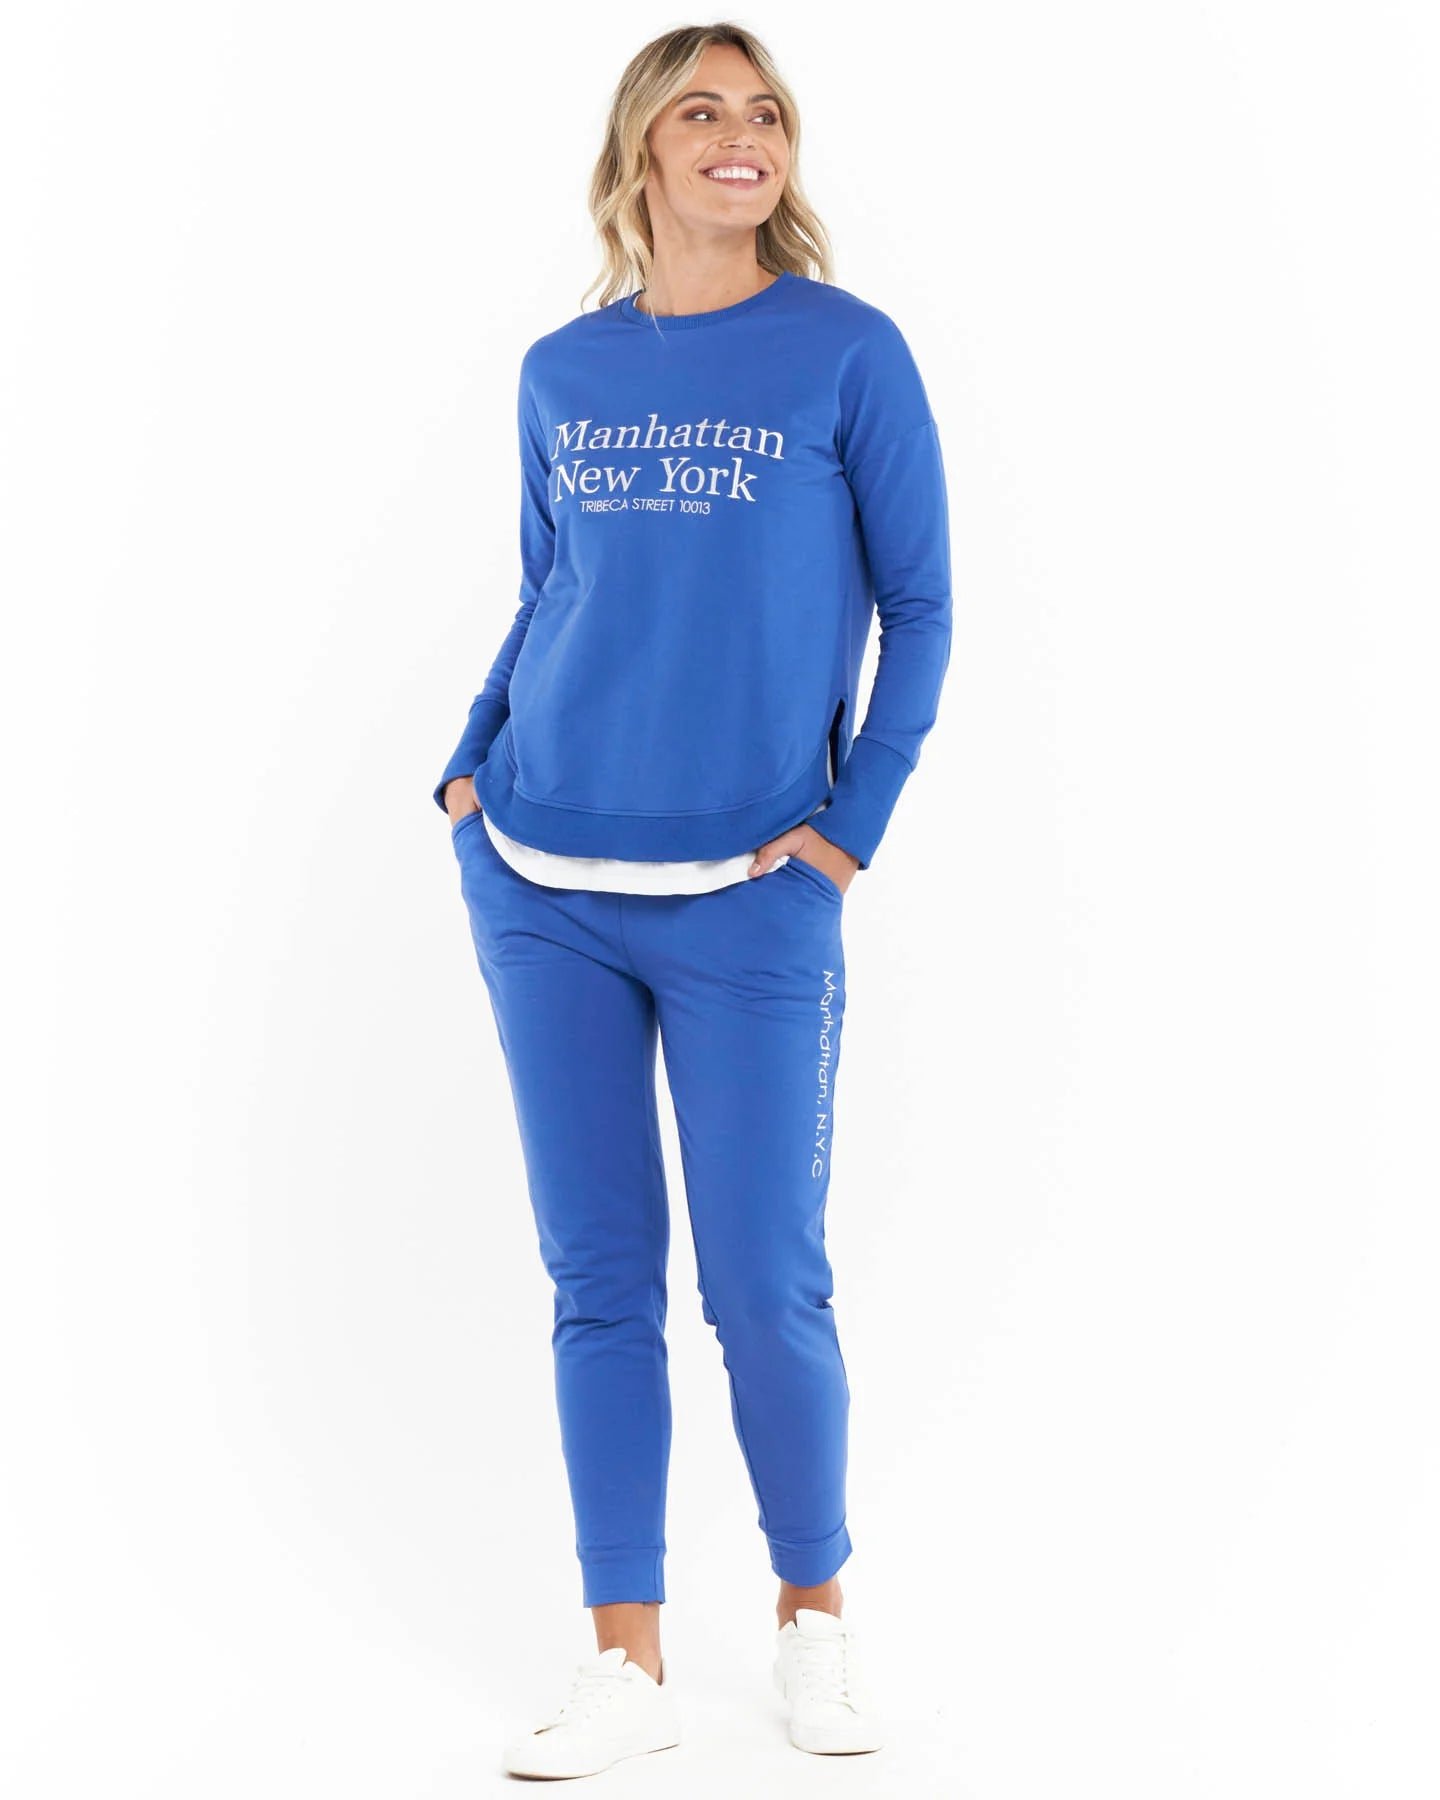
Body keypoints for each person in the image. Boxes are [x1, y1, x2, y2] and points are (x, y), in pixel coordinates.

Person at [434, 23, 952, 1780]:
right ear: (640, 152)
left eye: (766, 111)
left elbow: (921, 608)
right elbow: (548, 590)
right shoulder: (562, 371)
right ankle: (627, 1665)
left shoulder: (848, 351)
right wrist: (468, 768)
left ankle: (814, 1624)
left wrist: (847, 834)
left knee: (766, 1287)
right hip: (541, 877)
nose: (743, 134)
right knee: (599, 1284)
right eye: (702, 110)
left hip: (752, 890)